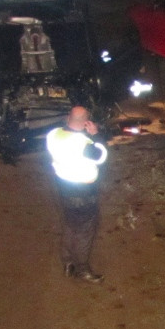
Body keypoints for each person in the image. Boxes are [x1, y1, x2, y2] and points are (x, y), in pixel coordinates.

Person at [45, 106, 108, 284]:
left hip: (63, 188)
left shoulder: (53, 134)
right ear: (86, 122)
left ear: (68, 117)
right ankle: (82, 269)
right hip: (83, 194)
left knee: (70, 225)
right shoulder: (83, 143)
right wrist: (95, 135)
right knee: (84, 231)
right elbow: (101, 156)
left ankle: (68, 263)